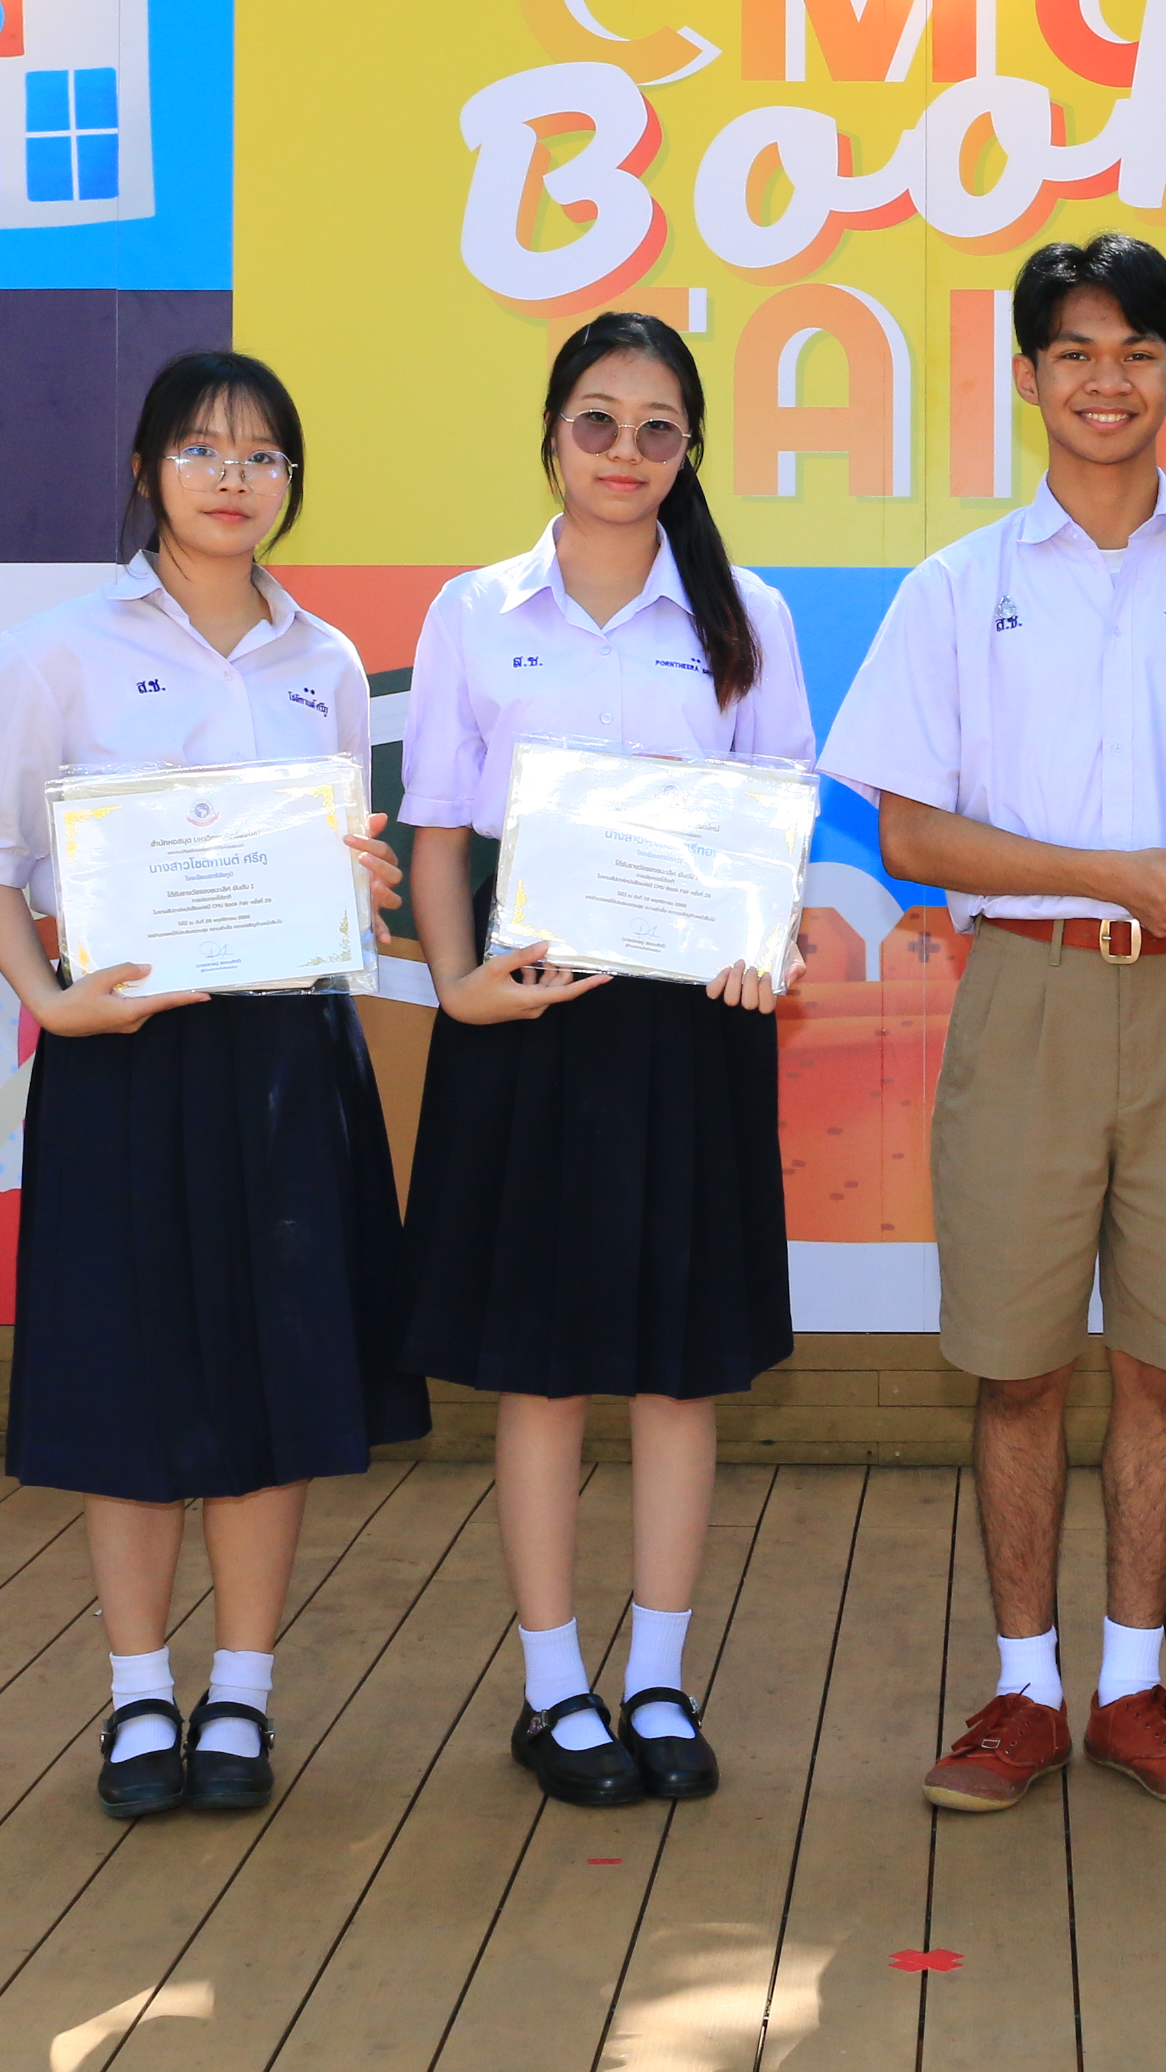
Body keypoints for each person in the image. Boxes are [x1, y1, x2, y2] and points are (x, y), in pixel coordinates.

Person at [823, 234, 1166, 1815]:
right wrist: (1107, 872)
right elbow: (909, 832)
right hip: (1026, 998)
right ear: (1028, 376)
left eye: (1136, 351)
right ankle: (1021, 1691)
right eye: (1074, 352)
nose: (1106, 381)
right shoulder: (956, 588)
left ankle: (1133, 1685)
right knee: (1017, 1362)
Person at [0, 348, 427, 1823]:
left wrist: (361, 879)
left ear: (292, 482)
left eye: (264, 455)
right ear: (148, 469)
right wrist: (48, 1004)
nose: (235, 479)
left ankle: (244, 1696)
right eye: (205, 450)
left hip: (288, 1054)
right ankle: (140, 1694)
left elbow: (342, 859)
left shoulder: (324, 661)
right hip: (127, 1058)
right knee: (135, 1378)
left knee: (279, 1381)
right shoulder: (56, 652)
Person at [398, 309, 815, 1810]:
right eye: (597, 420)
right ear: (552, 436)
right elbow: (436, 829)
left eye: (657, 428)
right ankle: (553, 1686)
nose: (624, 451)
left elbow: (777, 816)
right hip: (530, 1022)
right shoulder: (475, 611)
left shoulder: (746, 615)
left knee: (678, 1376)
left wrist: (768, 941)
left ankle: (657, 1676)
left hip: (692, 1028)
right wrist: (458, 988)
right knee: (542, 1372)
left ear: (691, 450)